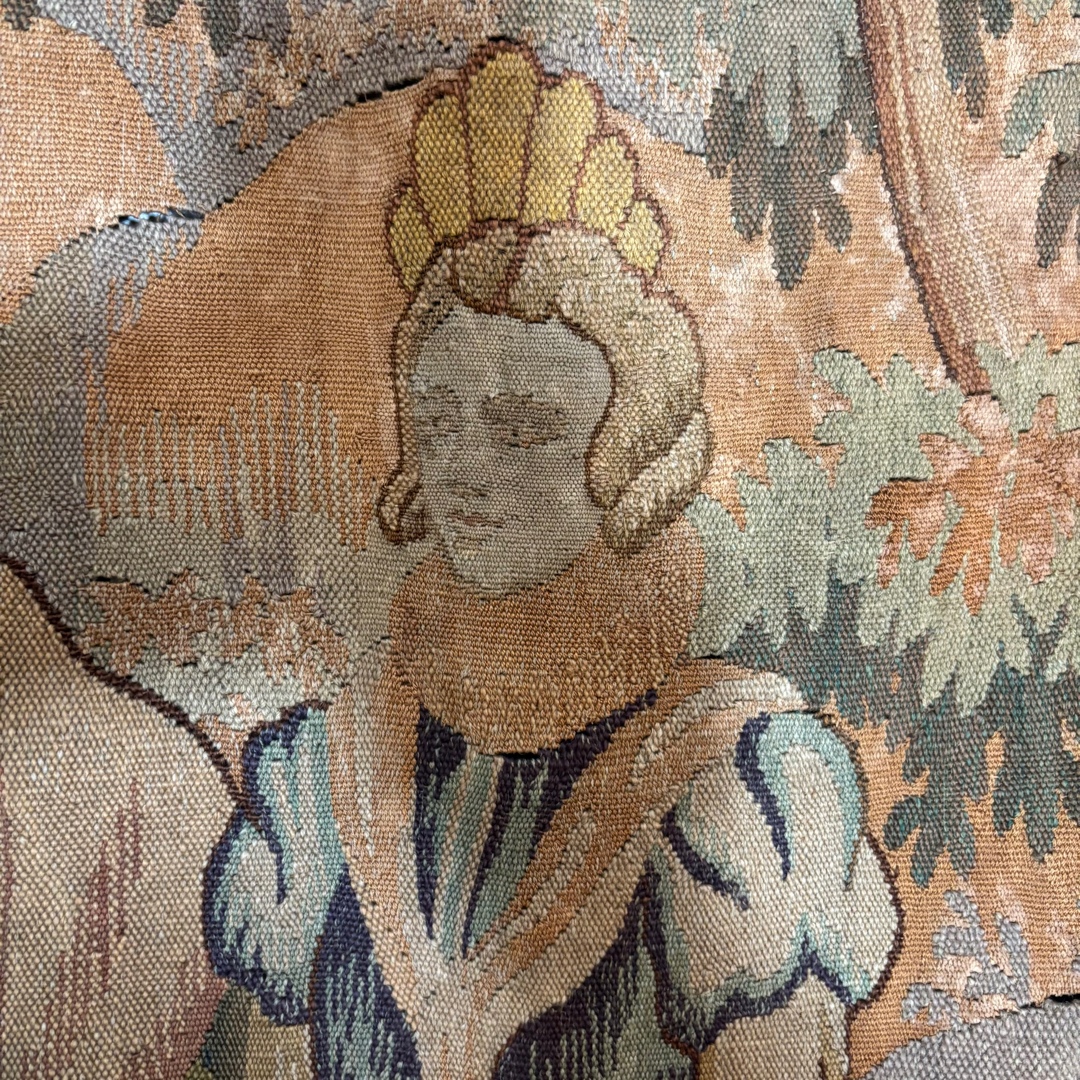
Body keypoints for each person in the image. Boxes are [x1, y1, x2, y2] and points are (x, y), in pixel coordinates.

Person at [204, 45, 898, 1080]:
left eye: (524, 426)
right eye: (439, 422)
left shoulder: (734, 772)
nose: (466, 473)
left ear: (626, 445)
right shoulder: (329, 768)